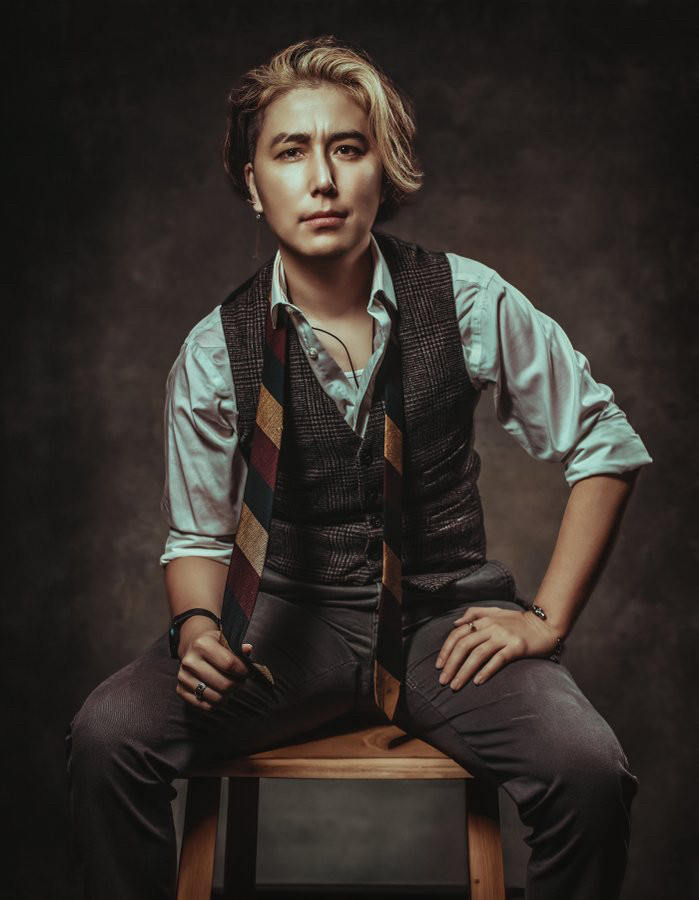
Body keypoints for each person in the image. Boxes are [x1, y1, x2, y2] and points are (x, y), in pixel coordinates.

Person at [65, 35, 652, 900]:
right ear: (251, 181)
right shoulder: (211, 351)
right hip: (281, 632)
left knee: (587, 771)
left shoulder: (467, 299)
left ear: (385, 167)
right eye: (290, 152)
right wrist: (196, 628)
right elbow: (197, 532)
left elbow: (603, 442)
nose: (323, 179)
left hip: (441, 624)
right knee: (108, 737)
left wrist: (542, 619)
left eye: (347, 147)